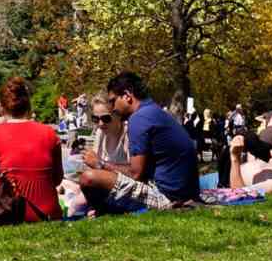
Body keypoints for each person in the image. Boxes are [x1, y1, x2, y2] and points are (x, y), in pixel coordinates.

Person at [75, 73, 198, 212]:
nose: (113, 107)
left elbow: (135, 174)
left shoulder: (139, 118)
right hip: (184, 193)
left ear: (127, 95)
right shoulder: (154, 111)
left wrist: (100, 164)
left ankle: (105, 211)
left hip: (168, 198)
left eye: (113, 101)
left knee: (88, 179)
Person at [0, 77, 63, 223]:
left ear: (2, 107)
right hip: (48, 213)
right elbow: (57, 179)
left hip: (10, 212)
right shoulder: (49, 133)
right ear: (28, 105)